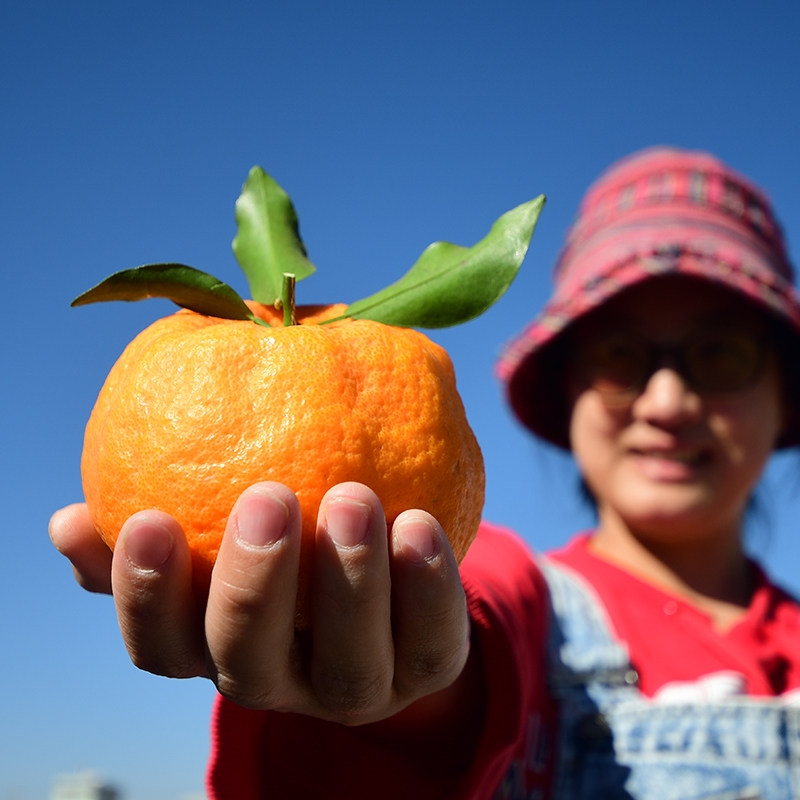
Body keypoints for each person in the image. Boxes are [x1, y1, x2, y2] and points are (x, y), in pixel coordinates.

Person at [50, 146, 800, 799]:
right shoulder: (522, 590)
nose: (667, 401)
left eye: (721, 355)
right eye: (620, 357)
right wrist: (395, 700)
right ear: (568, 390)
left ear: (784, 396)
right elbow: (471, 616)